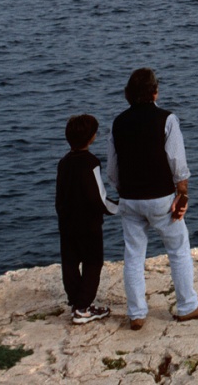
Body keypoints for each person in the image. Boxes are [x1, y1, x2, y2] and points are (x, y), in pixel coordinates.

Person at [105, 68, 198, 329]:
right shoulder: (166, 119)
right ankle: (187, 305)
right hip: (161, 198)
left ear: (127, 95)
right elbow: (177, 161)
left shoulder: (117, 123)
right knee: (177, 249)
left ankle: (136, 314)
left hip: (130, 199)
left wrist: (123, 191)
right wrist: (183, 194)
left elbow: (112, 168)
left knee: (133, 255)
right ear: (155, 92)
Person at [55, 114, 117, 325]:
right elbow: (98, 197)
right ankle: (83, 307)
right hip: (89, 225)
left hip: (67, 223)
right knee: (93, 263)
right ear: (91, 137)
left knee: (70, 262)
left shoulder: (63, 163)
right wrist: (120, 208)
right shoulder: (91, 162)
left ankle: (75, 302)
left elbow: (59, 196)